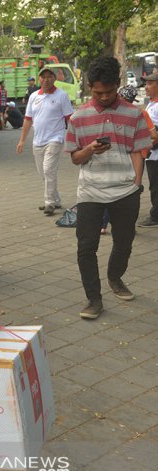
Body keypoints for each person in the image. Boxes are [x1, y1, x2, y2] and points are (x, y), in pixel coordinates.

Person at [65, 56, 152, 320]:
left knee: (124, 243)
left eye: (109, 91)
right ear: (89, 86)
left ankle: (115, 277)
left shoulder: (134, 114)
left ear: (118, 84)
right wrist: (89, 149)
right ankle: (94, 299)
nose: (103, 97)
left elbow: (139, 151)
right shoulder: (78, 117)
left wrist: (136, 183)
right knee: (85, 247)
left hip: (126, 192)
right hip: (90, 192)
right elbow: (74, 158)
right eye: (97, 92)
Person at [16, 66, 74, 216]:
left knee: (48, 170)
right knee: (44, 173)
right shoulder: (34, 96)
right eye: (43, 77)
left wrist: (74, 140)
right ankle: (56, 199)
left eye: (49, 76)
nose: (46, 79)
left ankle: (49, 203)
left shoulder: (62, 96)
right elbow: (28, 120)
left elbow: (70, 119)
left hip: (55, 138)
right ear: (39, 79)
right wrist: (22, 140)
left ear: (54, 78)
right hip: (38, 141)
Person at [137, 72, 158, 227]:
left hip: (155, 153)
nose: (146, 87)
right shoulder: (152, 103)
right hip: (151, 153)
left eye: (150, 83)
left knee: (156, 186)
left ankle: (155, 216)